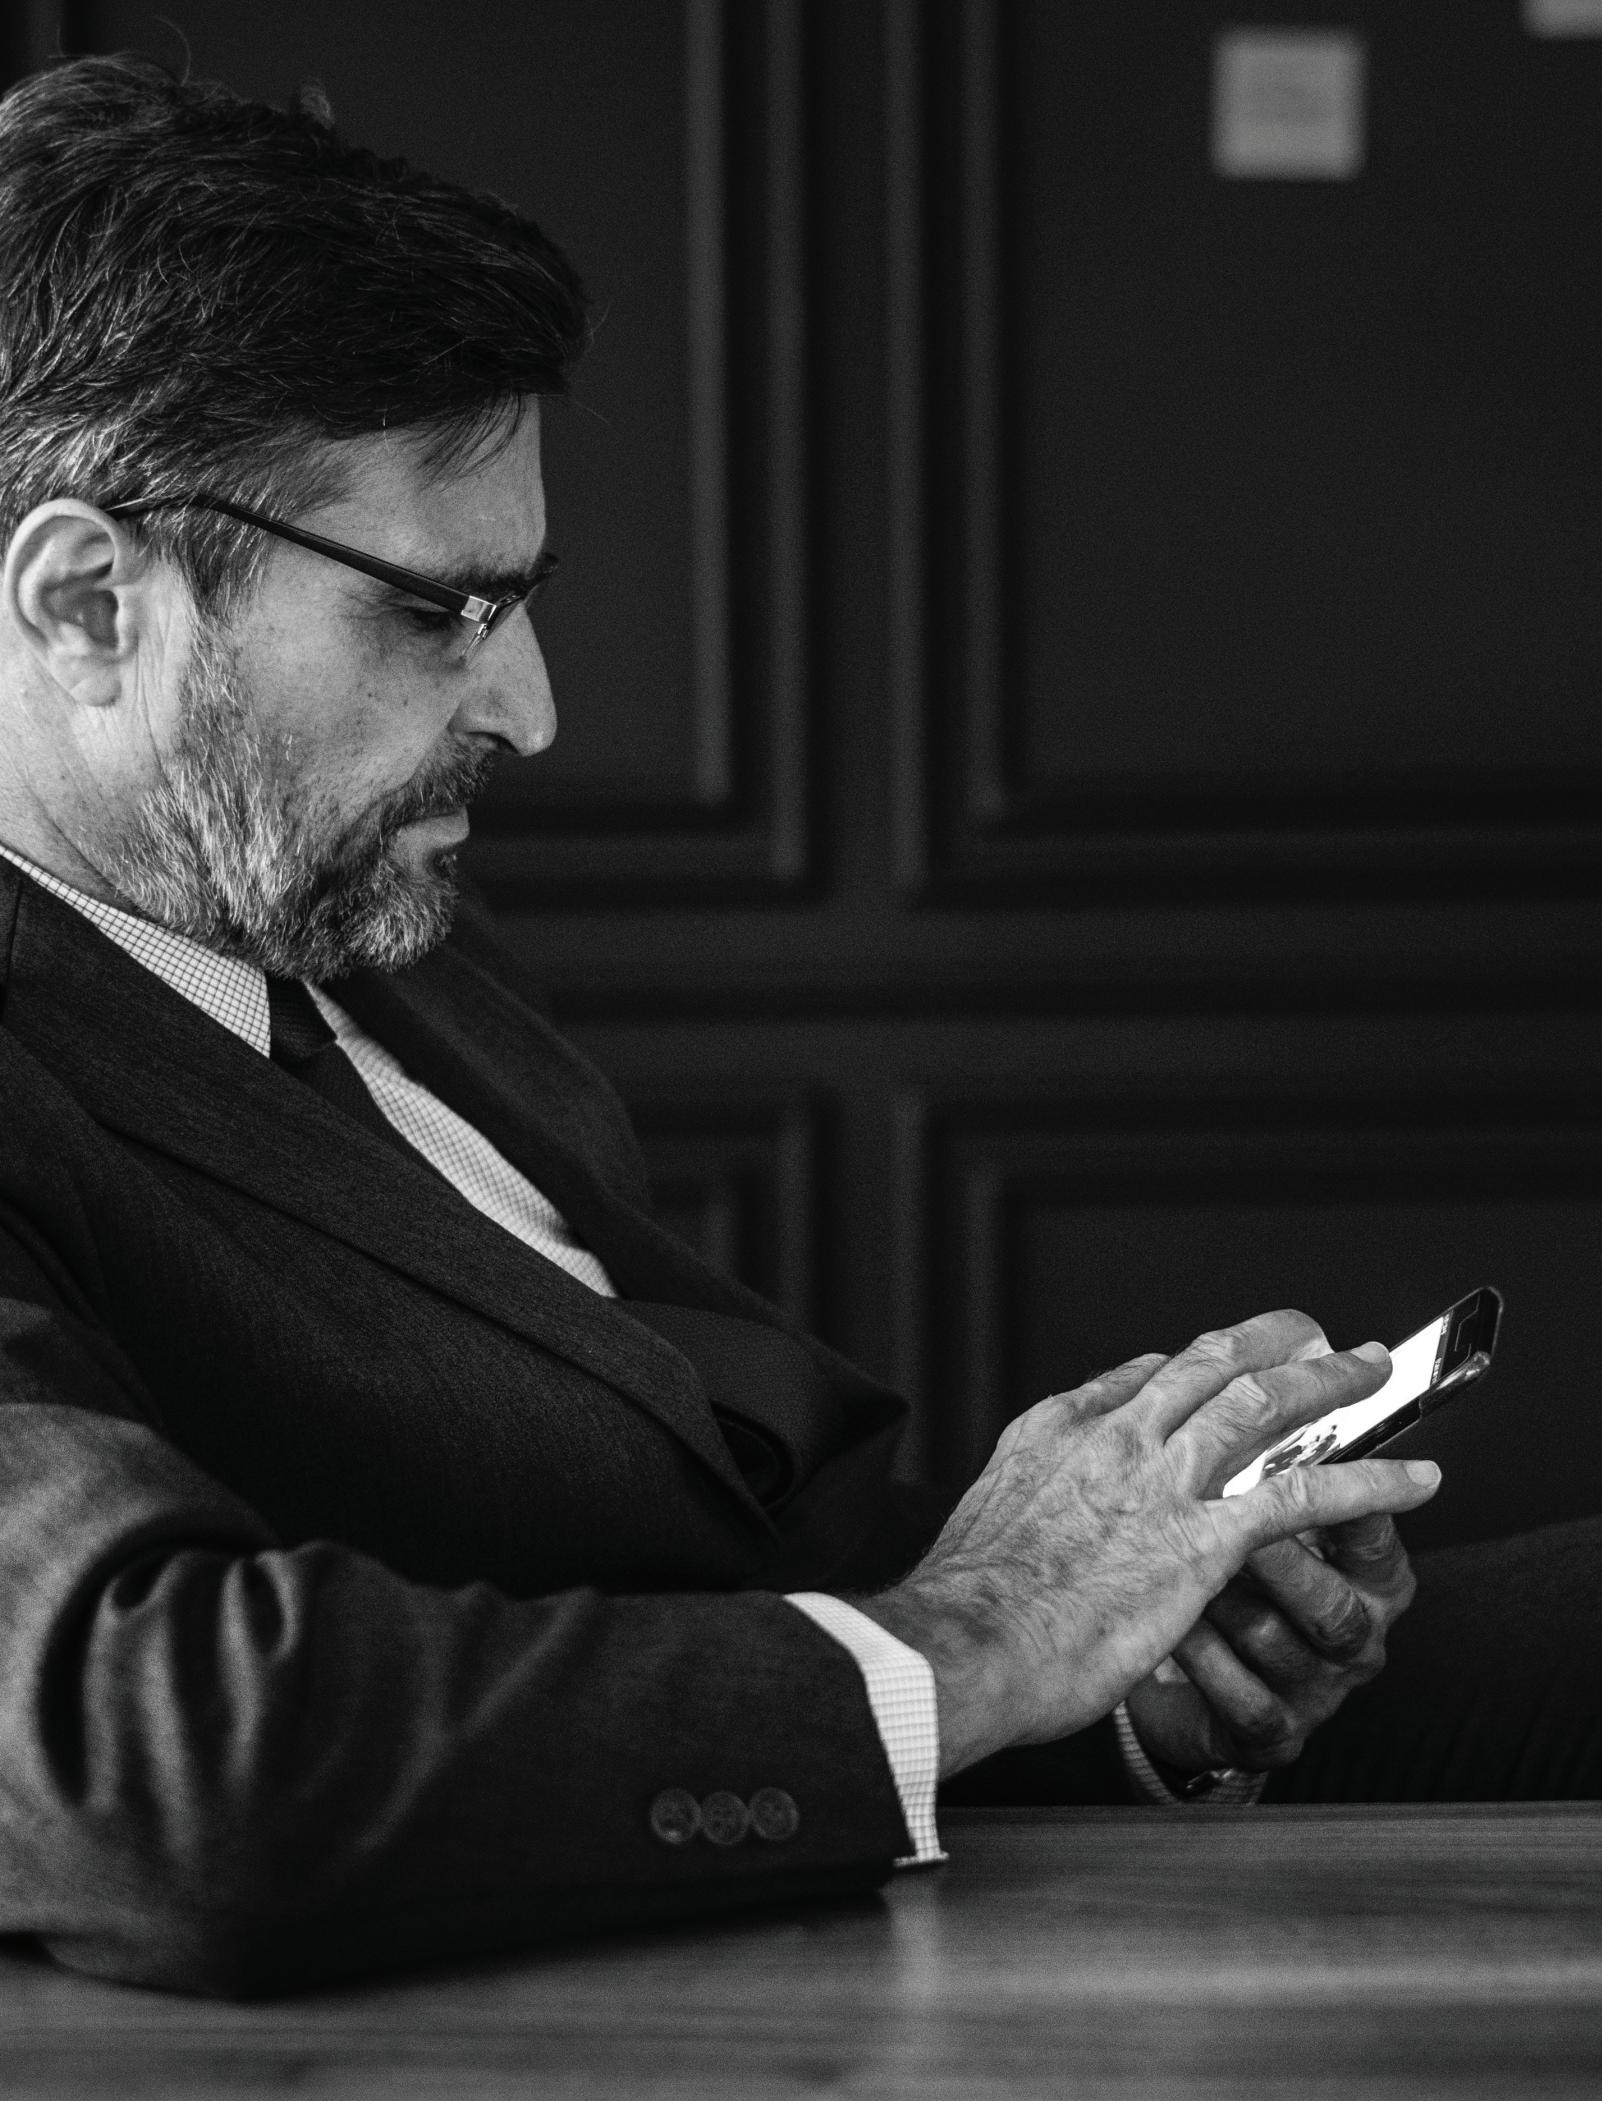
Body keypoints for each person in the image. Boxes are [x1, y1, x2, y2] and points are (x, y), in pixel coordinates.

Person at [0, 55, 1594, 2002]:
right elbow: (170, 1771)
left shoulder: (370, 934)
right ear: (88, 603)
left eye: (523, 601)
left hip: (896, 1828)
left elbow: (762, 1530)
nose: (533, 711)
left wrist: (1139, 1648)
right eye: (438, 612)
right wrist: (990, 1630)